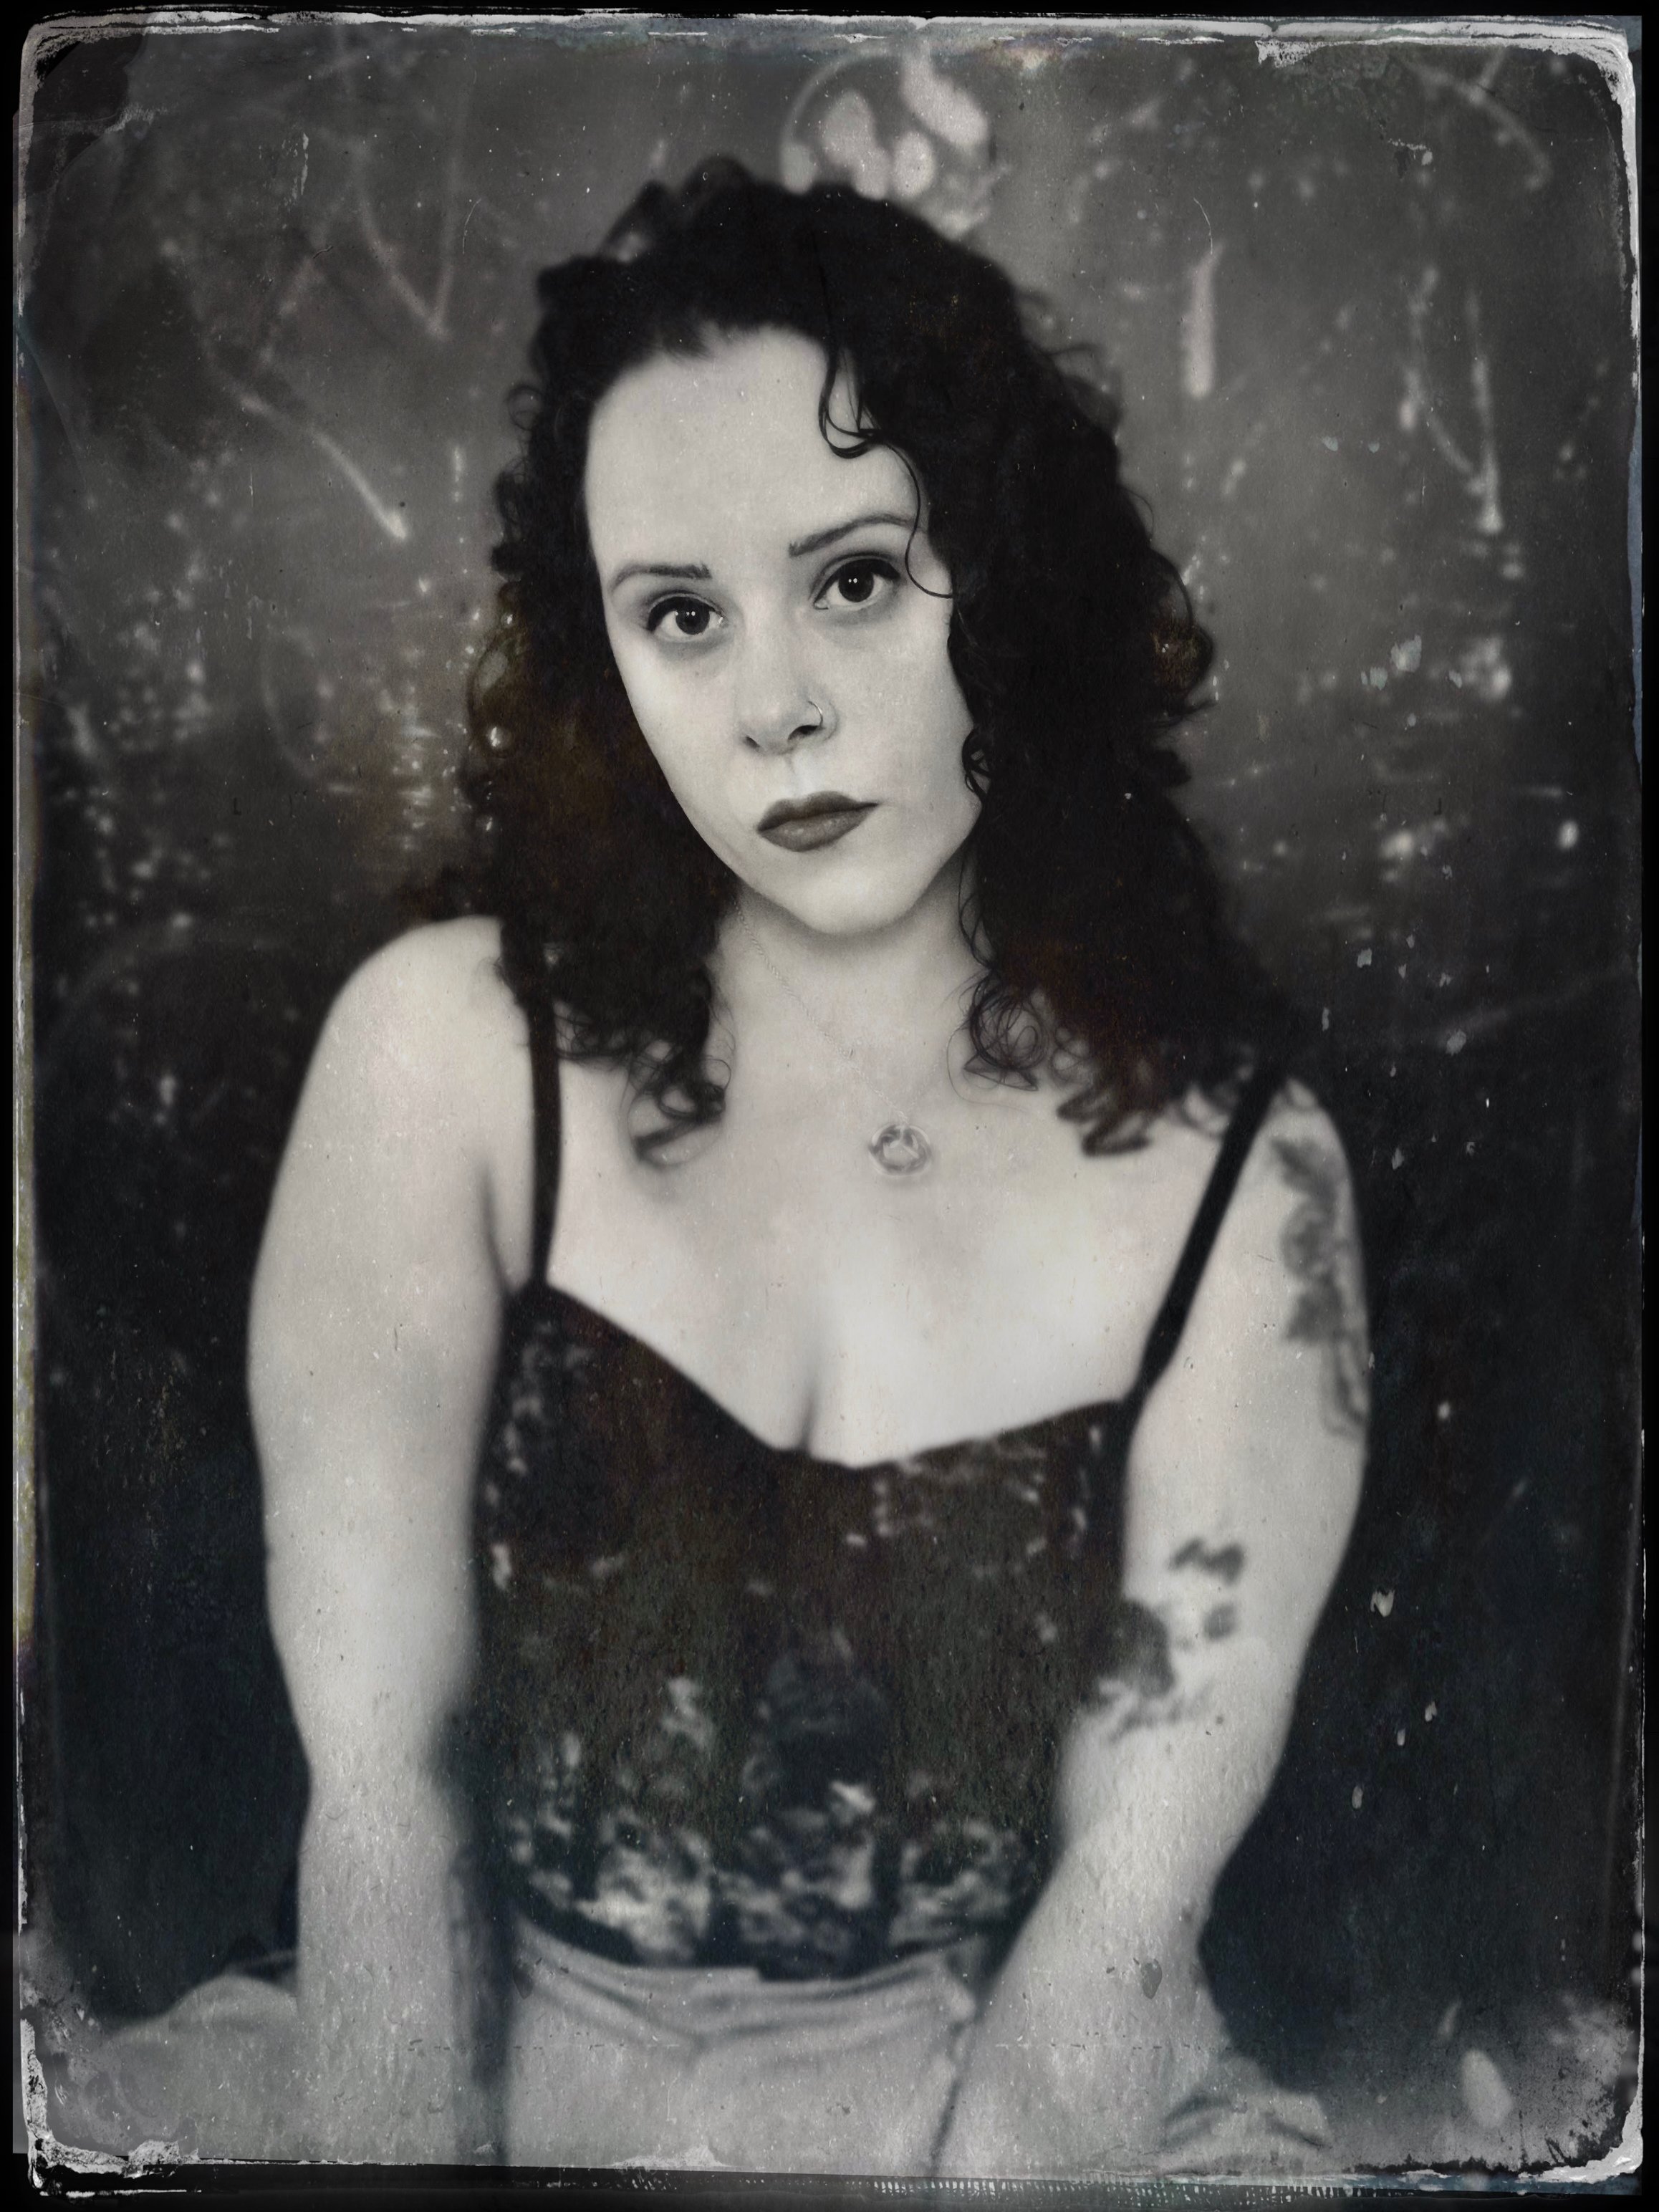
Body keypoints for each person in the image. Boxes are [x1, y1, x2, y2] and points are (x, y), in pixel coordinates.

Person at [248, 159, 1369, 2174]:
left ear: (1004, 583)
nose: (774, 707)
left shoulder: (1241, 1186)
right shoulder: (444, 1057)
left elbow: (1118, 1920)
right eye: (680, 617)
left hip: (1011, 2113)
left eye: (856, 579)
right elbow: (377, 1806)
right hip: (477, 2076)